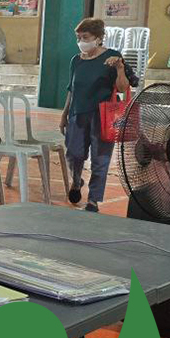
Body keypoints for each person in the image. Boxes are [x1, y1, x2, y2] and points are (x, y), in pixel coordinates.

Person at [61, 17, 137, 212]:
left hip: (104, 116)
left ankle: (93, 200)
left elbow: (122, 88)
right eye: (78, 37)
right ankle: (77, 182)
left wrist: (120, 68)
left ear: (98, 37)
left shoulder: (112, 57)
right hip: (78, 113)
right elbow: (71, 89)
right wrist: (64, 114)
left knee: (100, 159)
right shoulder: (76, 60)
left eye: (85, 37)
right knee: (74, 154)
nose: (81, 41)